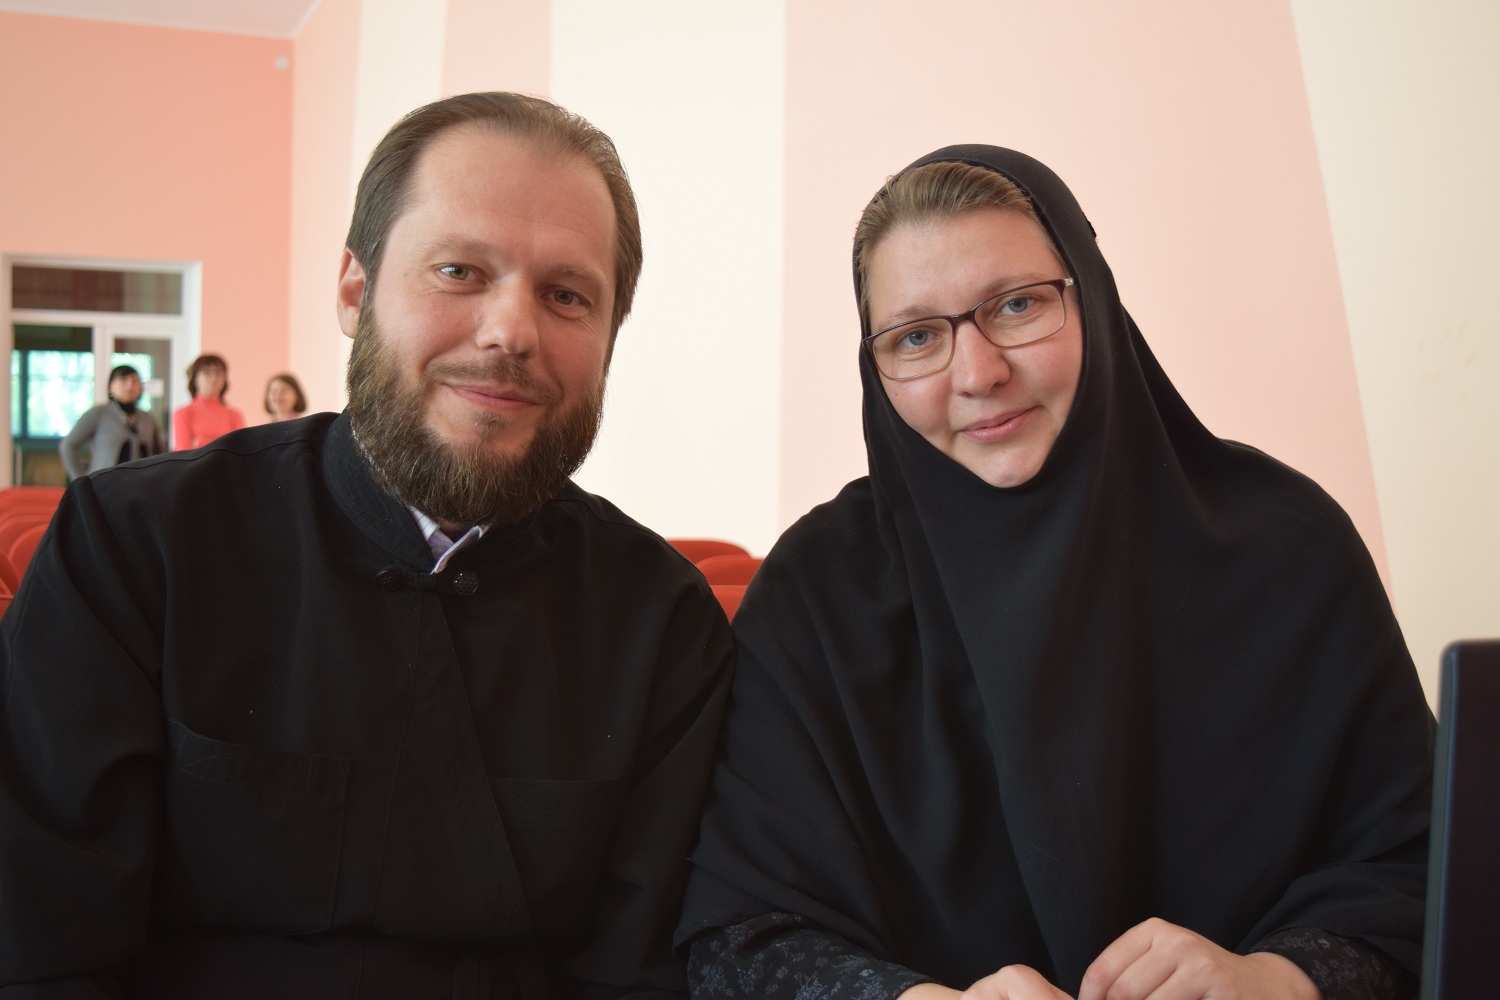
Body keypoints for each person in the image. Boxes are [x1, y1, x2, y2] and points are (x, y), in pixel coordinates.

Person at [0, 92, 733, 997]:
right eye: (459, 270)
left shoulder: (662, 624)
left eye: (567, 295)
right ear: (355, 290)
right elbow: (39, 954)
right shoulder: (133, 548)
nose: (512, 331)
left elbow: (638, 980)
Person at [677, 147, 1432, 1000]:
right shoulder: (817, 595)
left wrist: (1278, 978)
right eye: (916, 336)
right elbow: (737, 938)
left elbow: (1422, 867)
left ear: (1093, 298)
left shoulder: (1289, 547)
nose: (978, 373)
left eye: (1018, 305)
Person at [58, 364, 166, 478]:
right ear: (111, 386)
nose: (130, 385)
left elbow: (161, 453)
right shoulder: (99, 413)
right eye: (123, 380)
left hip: (141, 484)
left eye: (134, 381)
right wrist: (79, 480)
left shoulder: (148, 418)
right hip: (104, 485)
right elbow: (68, 445)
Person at [172, 353, 245, 448]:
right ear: (195, 379)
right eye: (207, 373)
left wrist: (200, 442)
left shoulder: (234, 415)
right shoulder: (183, 413)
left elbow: (242, 449)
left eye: (219, 373)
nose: (214, 378)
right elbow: (184, 451)